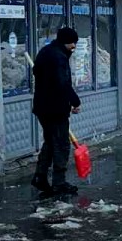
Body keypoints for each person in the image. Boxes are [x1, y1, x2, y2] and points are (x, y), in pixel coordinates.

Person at [32, 27, 81, 196]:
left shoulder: (45, 52)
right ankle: (59, 183)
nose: (74, 47)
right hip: (55, 108)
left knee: (51, 142)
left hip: (41, 107)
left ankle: (40, 176)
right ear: (67, 42)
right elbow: (63, 83)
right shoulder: (59, 57)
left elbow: (36, 72)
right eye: (73, 43)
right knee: (61, 144)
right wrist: (75, 101)